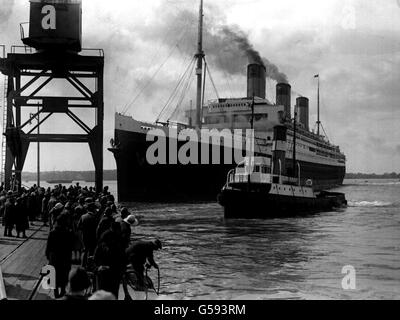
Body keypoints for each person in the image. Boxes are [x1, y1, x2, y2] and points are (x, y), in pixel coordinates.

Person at [94, 221, 126, 299]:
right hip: (114, 271)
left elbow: (96, 255)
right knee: (114, 291)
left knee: (103, 291)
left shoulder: (104, 239)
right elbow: (121, 256)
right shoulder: (117, 241)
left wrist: (97, 267)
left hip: (105, 270)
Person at [45, 213, 74, 298]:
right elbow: (71, 245)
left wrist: (47, 255)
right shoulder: (68, 232)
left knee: (54, 273)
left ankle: (55, 291)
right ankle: (63, 290)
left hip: (54, 256)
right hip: (65, 256)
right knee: (64, 273)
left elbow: (48, 245)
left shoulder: (52, 232)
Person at [78, 201, 98, 268]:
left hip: (84, 236)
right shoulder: (94, 217)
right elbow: (97, 228)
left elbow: (79, 227)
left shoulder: (83, 216)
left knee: (85, 251)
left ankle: (83, 265)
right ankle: (89, 265)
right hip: (93, 236)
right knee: (91, 252)